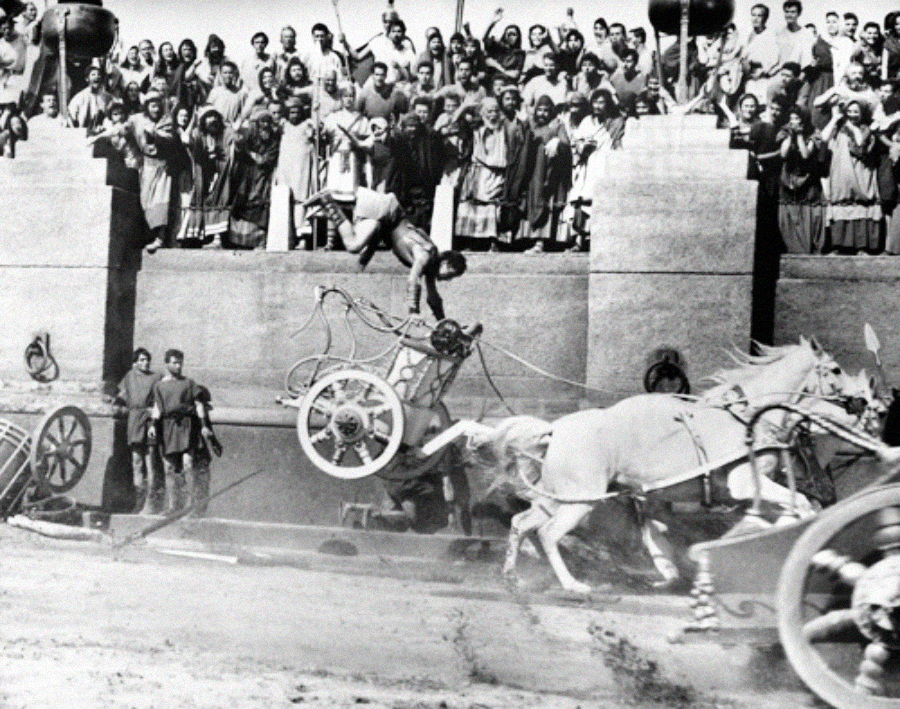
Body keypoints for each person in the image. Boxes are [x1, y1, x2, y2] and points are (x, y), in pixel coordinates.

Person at [307, 186, 467, 319]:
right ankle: (327, 201)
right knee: (353, 245)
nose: (448, 279)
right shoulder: (425, 254)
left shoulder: (431, 265)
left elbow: (433, 297)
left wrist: (443, 323)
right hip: (383, 210)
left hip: (384, 218)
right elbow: (413, 279)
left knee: (356, 246)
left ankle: (331, 203)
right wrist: (413, 312)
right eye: (451, 274)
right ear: (445, 262)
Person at [149, 350, 211, 514]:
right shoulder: (159, 386)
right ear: (167, 364)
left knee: (188, 465)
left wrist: (204, 425)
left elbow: (199, 405)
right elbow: (157, 407)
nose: (179, 366)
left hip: (186, 426)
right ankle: (172, 505)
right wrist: (153, 426)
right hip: (168, 427)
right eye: (175, 362)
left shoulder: (189, 383)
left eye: (180, 362)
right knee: (168, 467)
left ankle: (190, 505)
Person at [821, 99, 882, 253]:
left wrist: (851, 128)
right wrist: (835, 119)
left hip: (860, 172)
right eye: (850, 111)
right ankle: (838, 246)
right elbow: (824, 137)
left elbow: (861, 144)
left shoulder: (866, 129)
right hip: (841, 171)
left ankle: (862, 247)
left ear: (862, 114)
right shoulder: (839, 128)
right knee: (841, 204)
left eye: (856, 111)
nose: (852, 114)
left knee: (861, 205)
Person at [114, 348, 162, 514]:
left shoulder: (156, 377)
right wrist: (114, 400)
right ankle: (138, 501)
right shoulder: (129, 376)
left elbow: (160, 399)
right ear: (135, 362)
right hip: (134, 419)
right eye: (141, 360)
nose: (145, 363)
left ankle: (151, 502)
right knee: (136, 460)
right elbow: (122, 394)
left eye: (147, 359)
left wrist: (154, 414)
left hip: (149, 420)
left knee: (151, 460)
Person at [227, 109, 280, 249]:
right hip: (247, 174)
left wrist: (251, 153)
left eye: (267, 122)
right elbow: (240, 148)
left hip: (263, 176)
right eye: (262, 122)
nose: (265, 125)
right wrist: (238, 141)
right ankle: (238, 240)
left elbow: (266, 159)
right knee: (243, 201)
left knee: (260, 203)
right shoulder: (250, 134)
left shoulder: (273, 139)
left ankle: (258, 241)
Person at [776, 105, 824, 253]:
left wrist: (799, 136)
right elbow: (783, 154)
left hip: (807, 178)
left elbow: (805, 155)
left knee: (808, 210)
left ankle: (809, 246)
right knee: (789, 209)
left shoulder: (813, 133)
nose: (793, 122)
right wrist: (790, 136)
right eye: (791, 119)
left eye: (796, 118)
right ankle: (793, 246)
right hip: (789, 177)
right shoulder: (784, 132)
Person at [67, 64, 112, 130]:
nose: (97, 76)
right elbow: (70, 116)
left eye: (98, 74)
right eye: (93, 74)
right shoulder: (79, 97)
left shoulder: (107, 97)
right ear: (87, 79)